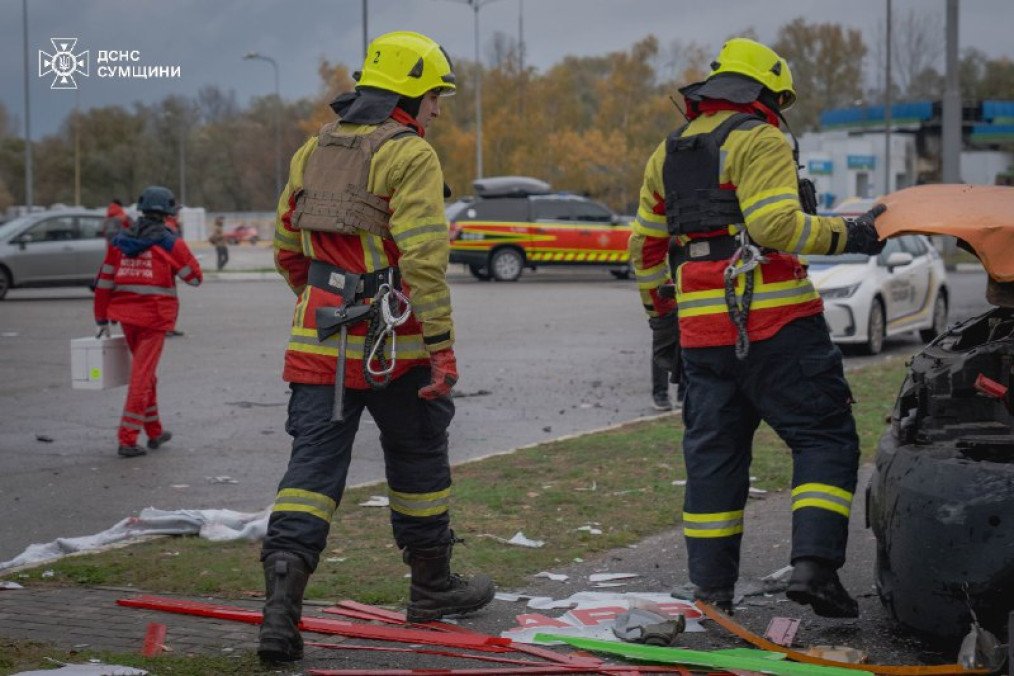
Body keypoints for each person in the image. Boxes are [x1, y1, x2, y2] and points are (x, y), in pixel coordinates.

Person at [628, 38, 887, 618]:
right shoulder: (760, 137)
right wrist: (854, 233)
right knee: (824, 436)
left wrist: (662, 324)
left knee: (714, 460)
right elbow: (774, 224)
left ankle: (711, 592)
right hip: (779, 329)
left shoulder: (666, 152)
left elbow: (643, 248)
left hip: (702, 339)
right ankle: (814, 571)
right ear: (766, 95)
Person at [259, 31, 493, 663]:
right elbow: (423, 259)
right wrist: (441, 348)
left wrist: (322, 301)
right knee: (418, 466)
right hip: (399, 347)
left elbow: (286, 248)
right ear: (407, 96)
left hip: (319, 344)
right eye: (433, 97)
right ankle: (431, 588)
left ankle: (280, 612)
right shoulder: (410, 155)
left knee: (310, 476)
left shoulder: (312, 149)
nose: (438, 111)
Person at [93, 186, 202, 457]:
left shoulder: (120, 240)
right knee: (142, 376)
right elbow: (195, 277)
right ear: (167, 212)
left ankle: (154, 432)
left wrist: (101, 316)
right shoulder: (170, 242)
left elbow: (104, 281)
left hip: (126, 318)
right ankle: (127, 438)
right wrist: (172, 256)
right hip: (154, 319)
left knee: (146, 375)